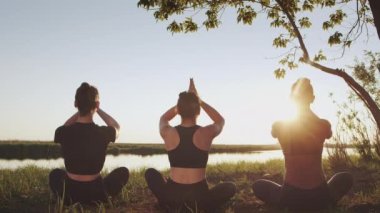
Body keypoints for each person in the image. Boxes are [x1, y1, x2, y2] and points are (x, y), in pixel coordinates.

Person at [252, 78, 353, 211]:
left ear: (291, 99)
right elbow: (328, 134)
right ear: (312, 98)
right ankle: (327, 202)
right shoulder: (323, 125)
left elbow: (273, 133)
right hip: (320, 194)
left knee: (258, 185)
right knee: (346, 177)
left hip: (290, 195)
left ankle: (287, 205)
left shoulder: (279, 126)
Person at [145, 79, 236, 212]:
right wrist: (199, 100)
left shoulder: (168, 132)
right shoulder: (206, 133)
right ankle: (202, 206)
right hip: (199, 198)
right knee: (230, 187)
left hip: (172, 196)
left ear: (179, 110)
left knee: (150, 173)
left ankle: (168, 204)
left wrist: (181, 104)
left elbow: (163, 118)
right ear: (198, 111)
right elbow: (220, 120)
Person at [49, 82, 129, 205]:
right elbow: (116, 127)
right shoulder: (103, 132)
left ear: (76, 104)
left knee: (55, 174)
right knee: (123, 172)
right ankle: (100, 200)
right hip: (96, 193)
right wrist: (98, 109)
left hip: (70, 193)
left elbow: (65, 126)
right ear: (96, 104)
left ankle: (66, 199)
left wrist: (81, 108)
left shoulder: (62, 132)